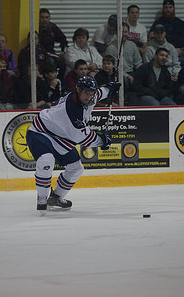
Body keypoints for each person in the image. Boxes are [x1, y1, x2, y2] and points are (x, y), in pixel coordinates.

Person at [26, 75, 120, 212]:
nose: (89, 96)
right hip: (41, 132)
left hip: (62, 138)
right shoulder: (73, 110)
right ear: (78, 90)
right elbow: (83, 138)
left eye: (91, 92)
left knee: (76, 168)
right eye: (86, 92)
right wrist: (102, 141)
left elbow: (100, 93)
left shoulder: (89, 97)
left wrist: (109, 88)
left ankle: (56, 197)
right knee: (46, 160)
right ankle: (42, 197)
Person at [149, 0, 184, 66]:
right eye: (166, 7)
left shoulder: (181, 23)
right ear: (163, 9)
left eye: (170, 7)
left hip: (183, 53)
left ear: (174, 9)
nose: (168, 10)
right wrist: (172, 50)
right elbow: (152, 40)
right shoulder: (158, 23)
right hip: (168, 55)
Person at [105, 22, 143, 86]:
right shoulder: (111, 48)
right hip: (119, 76)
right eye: (121, 32)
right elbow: (114, 68)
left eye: (125, 32)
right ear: (116, 33)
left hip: (132, 73)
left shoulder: (132, 45)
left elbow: (138, 63)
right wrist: (128, 76)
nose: (124, 34)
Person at [38, 8, 68, 81]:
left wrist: (63, 52)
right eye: (42, 17)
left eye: (46, 17)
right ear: (38, 18)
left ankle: (59, 83)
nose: (44, 20)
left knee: (63, 64)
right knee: (50, 63)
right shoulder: (36, 28)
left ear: (49, 18)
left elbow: (63, 39)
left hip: (51, 53)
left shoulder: (52, 27)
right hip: (39, 54)